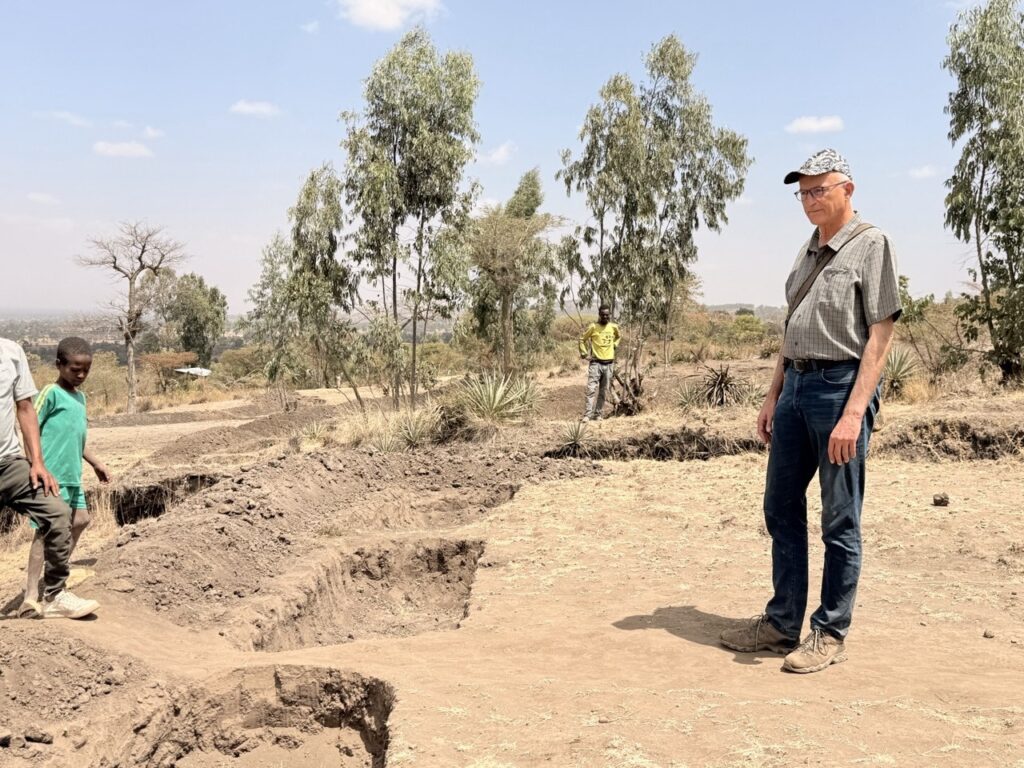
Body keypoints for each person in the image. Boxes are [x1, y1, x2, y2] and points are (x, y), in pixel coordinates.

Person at [719, 149, 900, 673]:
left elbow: (881, 335)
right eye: (803, 192)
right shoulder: (807, 251)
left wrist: (853, 414)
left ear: (849, 189)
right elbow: (790, 330)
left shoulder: (872, 245)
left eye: (819, 189)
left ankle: (829, 630)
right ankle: (782, 623)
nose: (809, 199)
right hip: (796, 388)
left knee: (839, 519)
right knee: (779, 507)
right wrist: (773, 393)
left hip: (840, 389)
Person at [0, 336, 99, 619]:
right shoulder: (52, 392)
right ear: (59, 365)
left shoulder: (11, 352)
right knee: (50, 526)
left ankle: (54, 592)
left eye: (85, 370)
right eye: (75, 369)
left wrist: (37, 463)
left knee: (65, 517)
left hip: (19, 466)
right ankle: (31, 595)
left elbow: (26, 409)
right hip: (50, 470)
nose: (80, 375)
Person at [578, 304, 620, 422]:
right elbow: (582, 339)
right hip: (596, 364)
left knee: (603, 391)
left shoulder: (614, 327)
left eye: (607, 315)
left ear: (609, 315)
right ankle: (587, 415)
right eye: (603, 315)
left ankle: (598, 415)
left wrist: (614, 345)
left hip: (609, 364)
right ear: (599, 315)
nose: (605, 317)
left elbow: (618, 337)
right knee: (591, 389)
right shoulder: (593, 327)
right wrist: (584, 354)